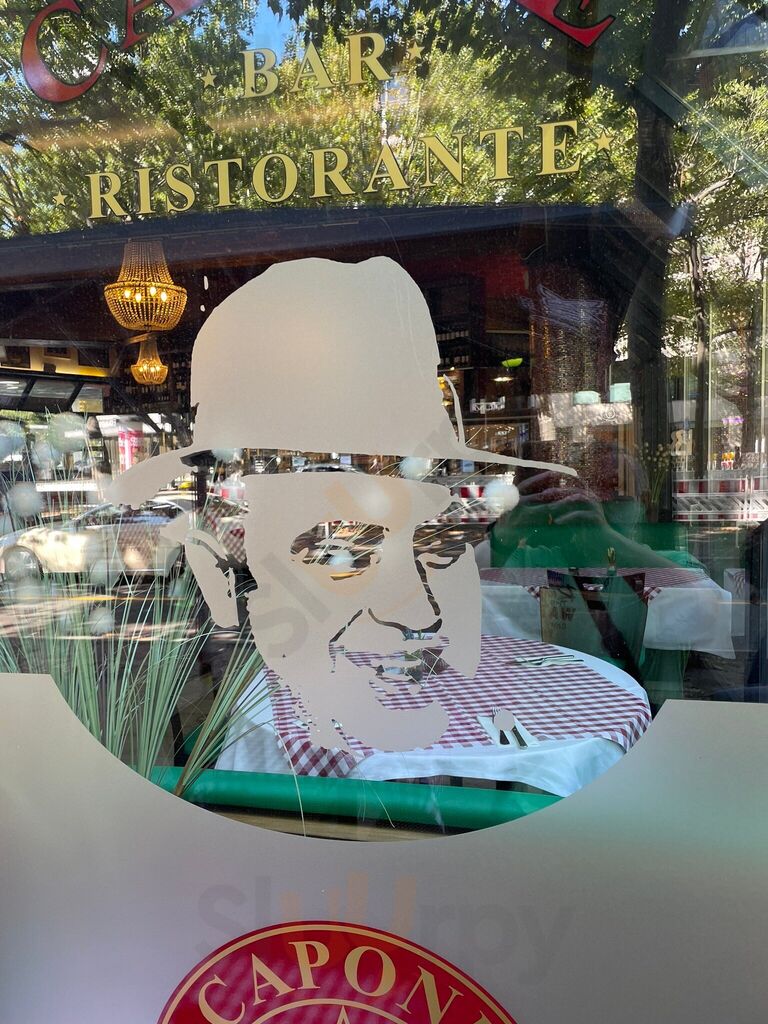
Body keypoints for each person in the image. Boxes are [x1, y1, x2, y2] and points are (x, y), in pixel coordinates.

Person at [110, 257, 572, 751]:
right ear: (214, 571)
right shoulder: (260, 744)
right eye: (345, 558)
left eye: (437, 549)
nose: (424, 618)